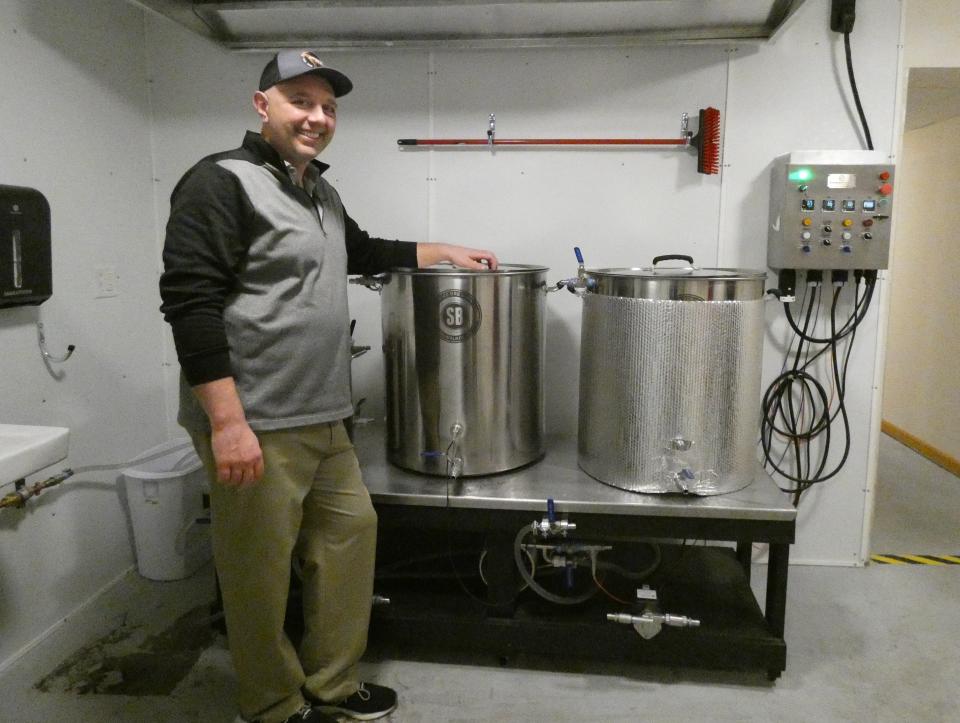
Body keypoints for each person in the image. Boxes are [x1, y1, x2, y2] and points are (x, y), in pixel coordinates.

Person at [159, 49, 498, 723]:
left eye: (329, 106)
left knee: (350, 536)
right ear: (263, 107)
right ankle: (273, 704)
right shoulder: (219, 182)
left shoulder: (318, 191)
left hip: (322, 414)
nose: (317, 117)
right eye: (301, 101)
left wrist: (442, 250)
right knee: (258, 571)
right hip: (255, 419)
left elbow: (363, 251)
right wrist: (227, 422)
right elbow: (190, 301)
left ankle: (332, 684)